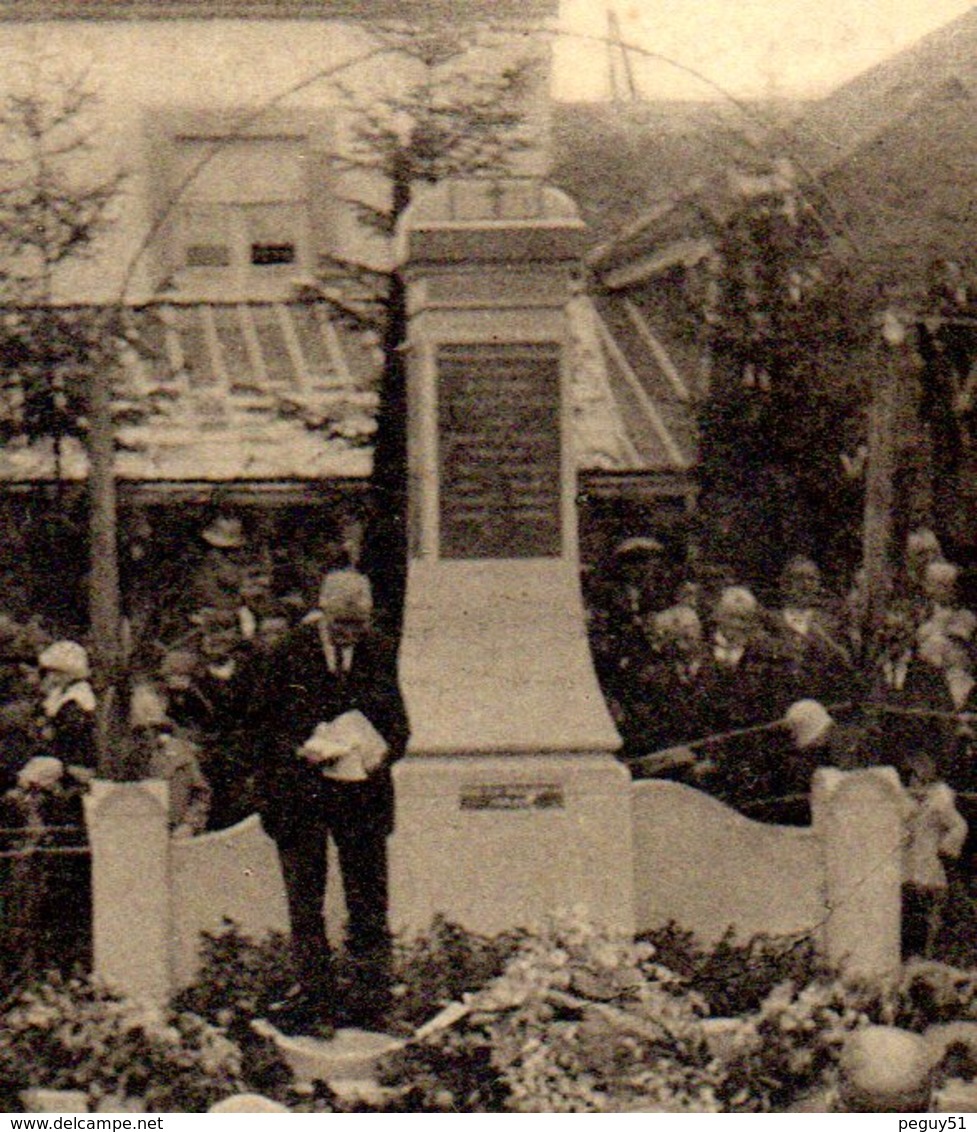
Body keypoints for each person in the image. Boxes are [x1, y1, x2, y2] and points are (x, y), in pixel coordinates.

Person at [228, 566, 409, 1035]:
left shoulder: (381, 651)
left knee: (369, 900)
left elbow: (398, 723)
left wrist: (379, 752)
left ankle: (372, 1001)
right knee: (306, 902)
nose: (350, 634)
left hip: (362, 797)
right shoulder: (287, 653)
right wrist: (298, 750)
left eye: (358, 625)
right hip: (301, 796)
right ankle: (316, 1001)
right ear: (323, 614)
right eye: (341, 624)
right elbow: (258, 727)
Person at [900, 752, 968, 959]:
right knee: (905, 915)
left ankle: (925, 956)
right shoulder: (904, 801)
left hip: (929, 863)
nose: (911, 782)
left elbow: (959, 826)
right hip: (907, 865)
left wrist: (945, 849)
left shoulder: (938, 802)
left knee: (927, 915)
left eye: (914, 777)